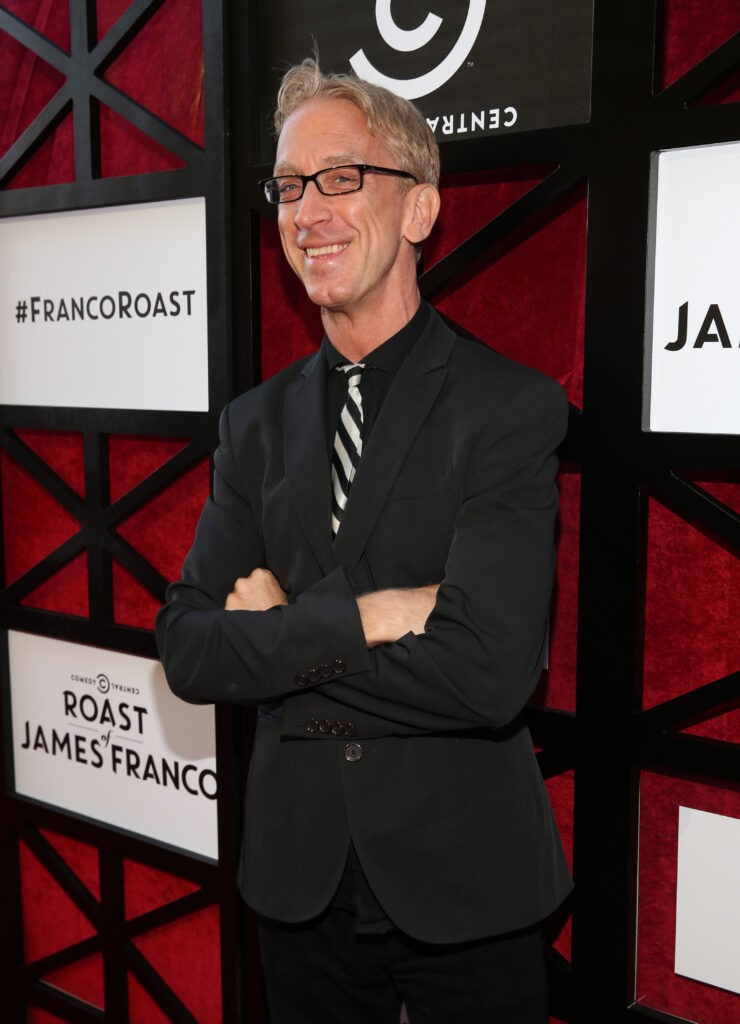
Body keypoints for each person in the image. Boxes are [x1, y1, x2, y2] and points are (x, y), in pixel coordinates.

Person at [156, 58, 572, 1024]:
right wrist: (378, 615)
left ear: (420, 209)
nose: (308, 211)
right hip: (297, 891)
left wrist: (282, 635)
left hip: (468, 890)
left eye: (342, 177)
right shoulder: (252, 426)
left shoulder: (508, 407)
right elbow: (187, 649)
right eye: (291, 187)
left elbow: (489, 672)